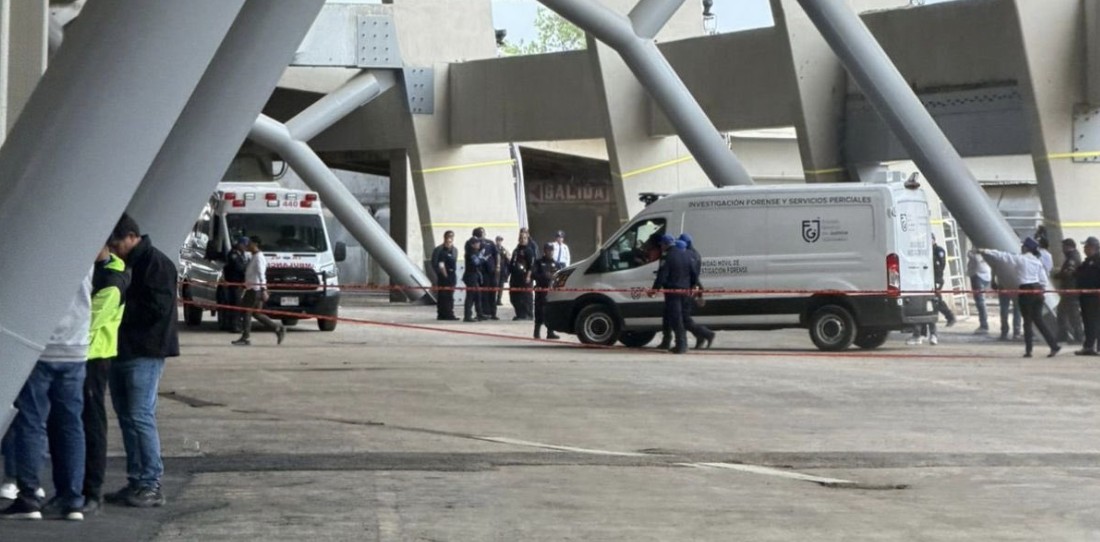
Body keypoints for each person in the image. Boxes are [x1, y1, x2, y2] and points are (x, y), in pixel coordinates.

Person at [0, 273, 93, 521]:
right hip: (76, 346)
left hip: (39, 349)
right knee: (71, 426)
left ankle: (29, 498)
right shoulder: (85, 247)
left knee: (31, 424)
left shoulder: (47, 248)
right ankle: (72, 499)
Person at [47, 244, 129, 516]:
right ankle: (68, 490)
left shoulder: (112, 280)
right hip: (76, 354)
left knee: (91, 425)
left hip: (94, 357)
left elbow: (88, 319)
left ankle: (92, 491)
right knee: (66, 423)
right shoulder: (90, 270)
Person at [105, 213, 180, 507]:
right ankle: (137, 480)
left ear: (131, 236)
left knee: (139, 416)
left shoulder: (156, 264)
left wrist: (117, 307)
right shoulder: (131, 263)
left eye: (116, 244)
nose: (113, 250)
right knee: (128, 417)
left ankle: (150, 483)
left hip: (145, 351)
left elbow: (156, 309)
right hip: (124, 349)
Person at [979, 238, 1060, 358]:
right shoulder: (1037, 261)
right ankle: (1054, 346)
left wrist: (985, 251)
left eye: (1023, 246)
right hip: (1037, 291)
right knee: (1039, 321)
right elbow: (1043, 280)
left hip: (1026, 291)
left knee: (1027, 321)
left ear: (1026, 248)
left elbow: (1003, 256)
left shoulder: (1021, 259)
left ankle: (1029, 351)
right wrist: (1042, 294)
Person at [233, 237, 286, 346]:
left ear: (255, 244)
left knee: (246, 311)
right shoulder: (254, 256)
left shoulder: (258, 258)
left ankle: (245, 337)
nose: (248, 246)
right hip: (252, 288)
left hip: (254, 290)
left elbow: (261, 275)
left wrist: (264, 289)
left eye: (250, 244)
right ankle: (277, 328)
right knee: (256, 313)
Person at [650, 235, 699, 354]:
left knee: (676, 319)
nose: (661, 247)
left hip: (673, 291)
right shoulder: (687, 254)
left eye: (661, 245)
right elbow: (694, 273)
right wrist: (693, 285)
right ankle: (678, 343)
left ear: (665, 244)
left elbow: (662, 275)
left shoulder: (667, 256)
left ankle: (681, 345)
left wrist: (655, 289)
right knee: (680, 317)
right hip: (686, 291)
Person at [908, 234, 955, 345]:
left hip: (935, 280)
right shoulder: (923, 251)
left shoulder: (938, 250)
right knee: (923, 304)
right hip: (924, 280)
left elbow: (940, 266)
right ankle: (922, 333)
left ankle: (947, 318)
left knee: (935, 302)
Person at [679, 233, 715, 350]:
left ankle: (706, 333)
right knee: (683, 316)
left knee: (684, 317)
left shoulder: (690, 255)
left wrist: (699, 293)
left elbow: (693, 276)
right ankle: (700, 336)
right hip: (691, 287)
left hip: (689, 288)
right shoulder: (694, 254)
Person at [1054, 238, 1084, 344]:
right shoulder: (1072, 256)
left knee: (1073, 314)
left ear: (1068, 246)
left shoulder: (1073, 257)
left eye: (1063, 247)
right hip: (1069, 290)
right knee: (1062, 312)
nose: (1062, 249)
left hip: (1071, 290)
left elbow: (1068, 273)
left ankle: (1078, 336)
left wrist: (1057, 275)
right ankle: (1063, 335)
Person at [1075, 236, 1100, 356]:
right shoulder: (1087, 261)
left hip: (1094, 296)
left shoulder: (1097, 260)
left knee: (1092, 321)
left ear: (1093, 247)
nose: (1084, 249)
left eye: (1086, 247)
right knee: (1089, 321)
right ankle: (1089, 345)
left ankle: (1091, 346)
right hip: (1086, 296)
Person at [532, 242, 561, 339]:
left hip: (551, 291)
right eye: (548, 250)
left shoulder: (556, 264)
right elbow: (533, 274)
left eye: (551, 250)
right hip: (541, 290)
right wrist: (545, 276)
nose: (550, 252)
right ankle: (536, 332)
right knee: (539, 311)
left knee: (551, 311)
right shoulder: (538, 262)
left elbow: (559, 277)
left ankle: (550, 332)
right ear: (544, 251)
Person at [223, 236, 251, 333]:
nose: (245, 247)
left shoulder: (242, 254)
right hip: (234, 283)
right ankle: (234, 326)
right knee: (235, 306)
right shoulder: (233, 254)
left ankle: (237, 324)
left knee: (238, 306)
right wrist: (247, 268)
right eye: (244, 245)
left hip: (240, 283)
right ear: (239, 244)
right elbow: (238, 267)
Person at [431, 231, 458, 321]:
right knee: (443, 295)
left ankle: (449, 312)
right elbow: (435, 263)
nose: (450, 239)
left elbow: (454, 262)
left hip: (452, 274)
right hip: (443, 276)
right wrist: (441, 274)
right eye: (448, 237)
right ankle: (442, 313)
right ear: (445, 237)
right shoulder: (439, 249)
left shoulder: (454, 250)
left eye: (452, 237)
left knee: (450, 295)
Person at [474, 228, 499, 320]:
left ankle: (493, 313)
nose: (483, 234)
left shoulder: (490, 243)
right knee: (483, 293)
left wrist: (497, 266)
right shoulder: (475, 243)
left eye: (483, 232)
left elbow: (496, 254)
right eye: (481, 233)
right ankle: (483, 312)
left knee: (492, 292)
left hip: (491, 271)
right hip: (482, 272)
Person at [510, 230, 535, 320]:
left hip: (524, 277)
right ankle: (520, 314)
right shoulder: (516, 250)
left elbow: (531, 265)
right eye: (521, 238)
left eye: (524, 238)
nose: (522, 240)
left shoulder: (529, 250)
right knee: (514, 296)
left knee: (525, 296)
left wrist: (528, 276)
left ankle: (528, 314)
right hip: (515, 277)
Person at [966, 248, 991, 334]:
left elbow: (970, 255)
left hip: (978, 276)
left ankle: (984, 325)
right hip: (982, 275)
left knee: (980, 301)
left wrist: (973, 252)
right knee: (980, 301)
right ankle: (983, 324)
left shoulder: (977, 254)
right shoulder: (986, 252)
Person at [463, 236, 485, 322]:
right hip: (470, 276)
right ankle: (467, 316)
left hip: (475, 275)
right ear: (472, 244)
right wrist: (482, 258)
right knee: (470, 296)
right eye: (477, 243)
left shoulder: (475, 252)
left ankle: (480, 314)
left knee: (478, 296)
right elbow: (477, 262)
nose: (479, 244)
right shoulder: (470, 253)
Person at [495, 236, 510, 307]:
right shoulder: (494, 248)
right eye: (498, 240)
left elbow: (508, 259)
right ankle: (494, 299)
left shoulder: (503, 249)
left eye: (500, 240)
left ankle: (499, 299)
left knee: (501, 285)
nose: (499, 242)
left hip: (503, 270)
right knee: (496, 284)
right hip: (496, 270)